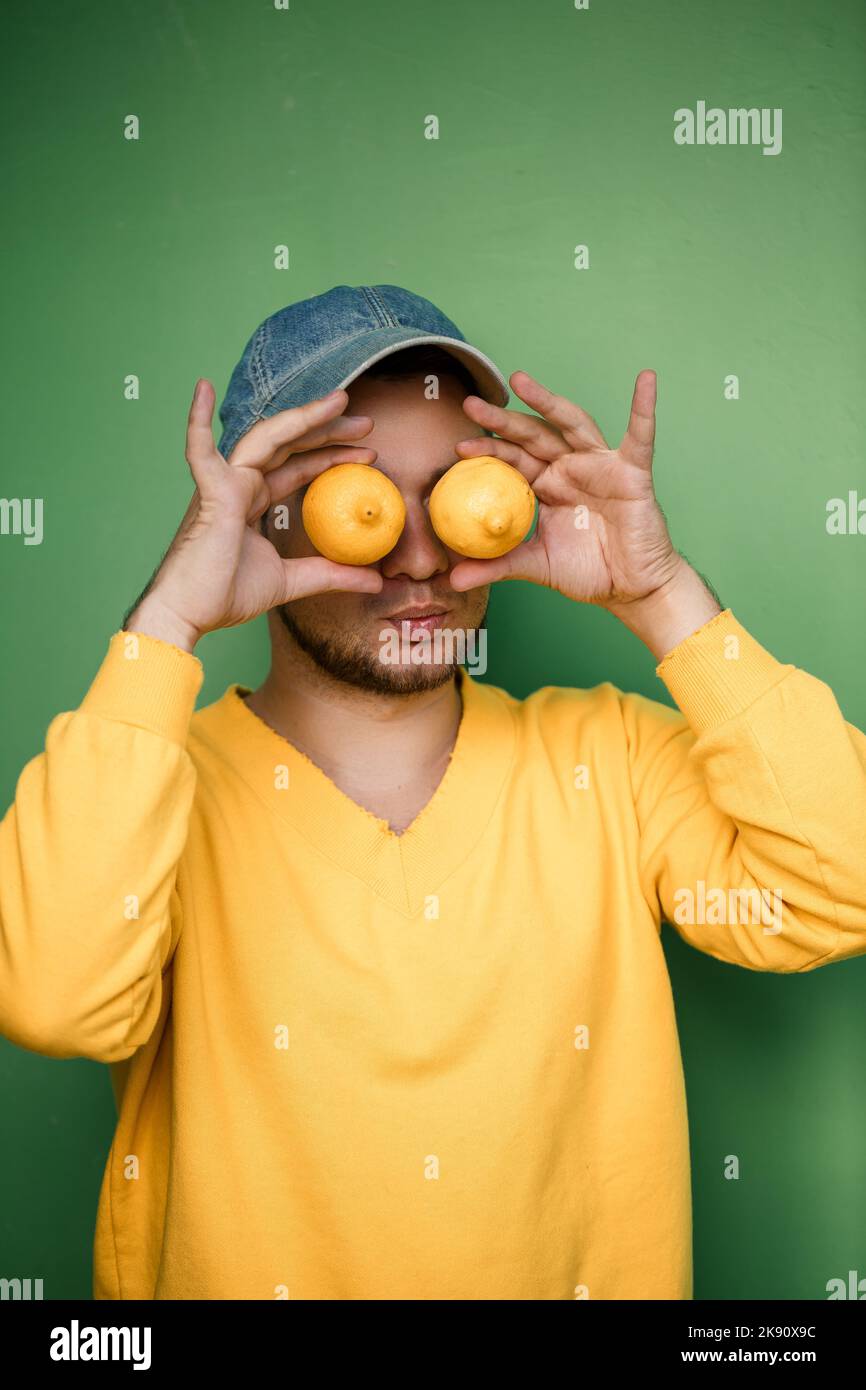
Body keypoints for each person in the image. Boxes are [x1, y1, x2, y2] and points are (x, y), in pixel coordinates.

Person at [1, 284, 864, 1301]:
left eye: (454, 493)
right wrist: (165, 624)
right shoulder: (153, 790)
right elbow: (54, 1002)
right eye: (358, 504)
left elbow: (837, 881)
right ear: (257, 518)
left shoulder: (608, 760)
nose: (418, 556)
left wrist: (660, 593)